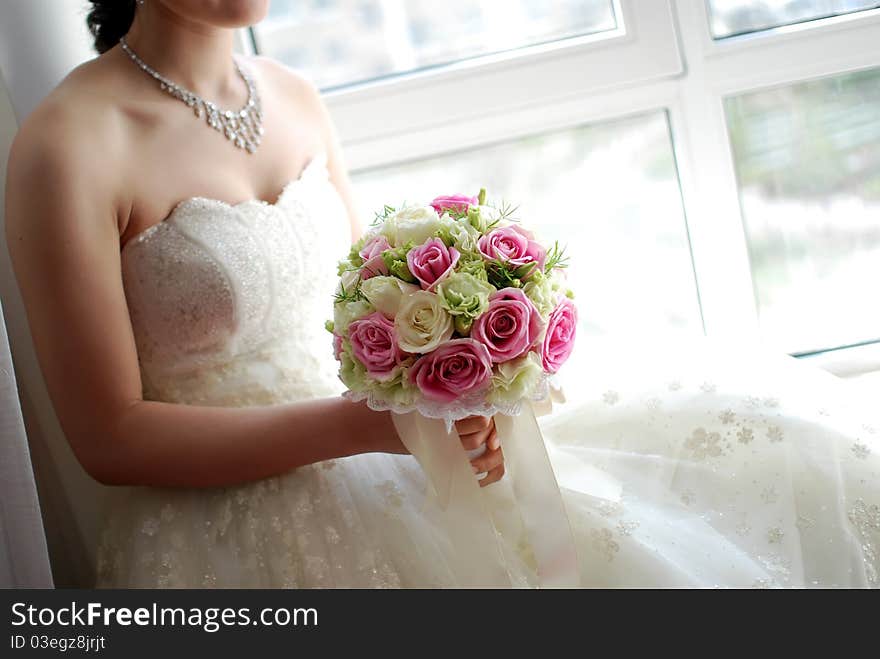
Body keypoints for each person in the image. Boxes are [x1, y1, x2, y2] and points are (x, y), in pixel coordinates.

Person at [5, 0, 878, 588]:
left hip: (381, 439)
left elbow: (354, 316)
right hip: (224, 520)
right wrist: (367, 428)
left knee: (762, 452)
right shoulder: (67, 144)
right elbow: (109, 436)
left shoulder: (297, 98)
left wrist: (458, 398)